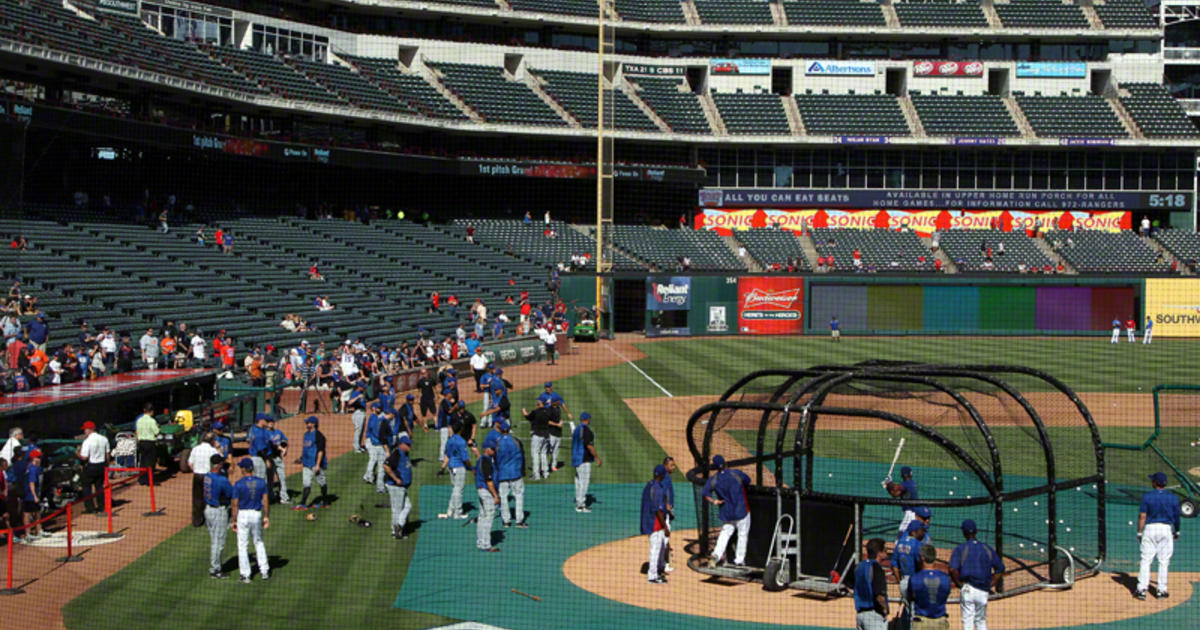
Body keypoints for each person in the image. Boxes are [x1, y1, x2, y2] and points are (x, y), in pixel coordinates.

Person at [949, 519, 1005, 630]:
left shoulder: (960, 549)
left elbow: (951, 570)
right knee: (981, 620)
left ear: (964, 533)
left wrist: (959, 584)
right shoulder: (986, 548)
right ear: (976, 531)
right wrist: (991, 584)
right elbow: (1000, 568)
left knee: (967, 621)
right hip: (983, 591)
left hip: (968, 589)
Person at [1136, 471, 1182, 599]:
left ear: (1155, 483)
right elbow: (1177, 517)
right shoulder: (1173, 497)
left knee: (1146, 560)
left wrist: (1139, 532)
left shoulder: (1147, 496)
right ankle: (1161, 590)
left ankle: (1141, 590)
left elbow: (1142, 516)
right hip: (1166, 530)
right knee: (1163, 561)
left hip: (1150, 529)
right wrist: (1177, 530)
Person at [701, 454, 751, 568]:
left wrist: (713, 501)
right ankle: (739, 561)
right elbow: (748, 480)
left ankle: (716, 555)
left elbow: (705, 493)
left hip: (727, 513)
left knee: (725, 534)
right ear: (726, 464)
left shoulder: (714, 479)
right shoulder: (736, 473)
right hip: (741, 511)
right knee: (742, 535)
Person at [232, 458, 270, 583]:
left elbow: (235, 504)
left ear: (244, 469)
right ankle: (264, 571)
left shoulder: (238, 484)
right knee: (258, 542)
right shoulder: (261, 482)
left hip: (243, 515)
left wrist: (234, 521)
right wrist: (266, 516)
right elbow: (265, 501)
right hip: (257, 514)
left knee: (243, 545)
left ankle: (245, 575)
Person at [203, 454, 234, 579]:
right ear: (219, 465)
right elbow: (230, 494)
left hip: (208, 510)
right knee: (218, 542)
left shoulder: (207, 476)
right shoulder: (222, 480)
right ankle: (215, 570)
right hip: (218, 511)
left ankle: (215, 567)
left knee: (214, 541)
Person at [893, 520, 927, 626]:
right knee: (914, 613)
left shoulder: (900, 542)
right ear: (914, 532)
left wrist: (900, 581)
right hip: (914, 582)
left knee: (907, 609)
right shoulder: (917, 544)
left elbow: (894, 565)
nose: (924, 533)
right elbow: (920, 562)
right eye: (922, 530)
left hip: (904, 581)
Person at [908, 544, 951, 629]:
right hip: (940, 621)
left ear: (922, 558)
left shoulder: (915, 578)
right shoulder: (945, 577)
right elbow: (945, 595)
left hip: (921, 622)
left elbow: (910, 597)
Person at [495, 420, 527, 528]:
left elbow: (495, 459)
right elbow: (522, 456)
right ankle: (519, 521)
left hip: (503, 474)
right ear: (508, 430)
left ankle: (506, 521)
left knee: (503, 498)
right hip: (516, 473)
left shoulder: (498, 442)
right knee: (519, 497)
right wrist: (523, 471)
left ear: (500, 430)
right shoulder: (516, 441)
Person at [853, 538, 890, 630]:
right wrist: (885, 609)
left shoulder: (859, 566)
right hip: (874, 616)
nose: (887, 553)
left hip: (860, 615)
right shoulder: (876, 567)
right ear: (879, 553)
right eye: (885, 551)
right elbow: (879, 594)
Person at [642, 464, 670, 584]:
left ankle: (656, 570)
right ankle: (652, 576)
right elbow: (658, 510)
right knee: (655, 548)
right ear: (662, 475)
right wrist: (665, 527)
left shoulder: (649, 485)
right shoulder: (658, 489)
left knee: (657, 547)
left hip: (648, 520)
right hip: (655, 523)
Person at [294, 416, 329, 510]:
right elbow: (307, 449)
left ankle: (325, 502)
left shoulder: (319, 436)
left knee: (322, 483)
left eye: (308, 423)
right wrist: (301, 458)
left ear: (313, 424)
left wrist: (317, 465)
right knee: (306, 484)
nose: (306, 424)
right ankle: (303, 504)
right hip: (306, 464)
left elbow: (321, 451)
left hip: (316, 464)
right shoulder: (305, 434)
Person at [384, 435, 415, 539]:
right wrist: (395, 478)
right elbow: (386, 465)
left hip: (402, 487)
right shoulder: (396, 453)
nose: (409, 446)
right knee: (397, 509)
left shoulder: (405, 453)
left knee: (407, 506)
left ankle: (399, 526)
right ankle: (395, 531)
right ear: (401, 444)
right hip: (395, 486)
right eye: (407, 444)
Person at [439, 422, 471, 520]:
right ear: (460, 430)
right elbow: (465, 458)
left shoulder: (450, 440)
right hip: (459, 467)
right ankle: (458, 513)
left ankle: (450, 510)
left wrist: (442, 468)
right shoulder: (461, 441)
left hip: (451, 467)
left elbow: (447, 455)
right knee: (458, 490)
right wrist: (470, 467)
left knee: (455, 489)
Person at [77, 421, 110, 515]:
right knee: (99, 486)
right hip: (102, 464)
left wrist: (77, 454)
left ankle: (90, 507)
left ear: (89, 430)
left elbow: (84, 457)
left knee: (86, 486)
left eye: (85, 430)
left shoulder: (87, 441)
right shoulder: (104, 439)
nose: (84, 431)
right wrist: (106, 465)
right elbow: (107, 454)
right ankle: (101, 506)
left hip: (92, 465)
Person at [187, 433, 221, 527]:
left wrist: (196, 470)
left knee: (197, 498)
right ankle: (208, 521)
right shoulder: (212, 450)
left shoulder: (195, 449)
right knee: (208, 498)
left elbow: (190, 463)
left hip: (197, 475)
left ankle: (197, 521)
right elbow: (218, 462)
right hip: (208, 475)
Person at [538, 382, 571, 472]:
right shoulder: (548, 408)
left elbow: (562, 405)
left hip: (558, 432)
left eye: (548, 387)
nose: (547, 388)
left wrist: (565, 416)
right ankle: (542, 466)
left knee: (555, 450)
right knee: (548, 450)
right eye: (546, 387)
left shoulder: (557, 408)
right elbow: (539, 405)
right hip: (551, 431)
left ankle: (553, 465)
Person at [475, 442, 501, 552]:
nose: (494, 451)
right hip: (486, 491)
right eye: (493, 449)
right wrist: (495, 496)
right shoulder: (485, 461)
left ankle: (480, 542)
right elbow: (489, 481)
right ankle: (486, 544)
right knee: (488, 518)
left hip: (481, 490)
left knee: (482, 517)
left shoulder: (481, 459)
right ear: (487, 449)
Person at [572, 412, 601, 512]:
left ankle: (578, 500)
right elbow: (589, 446)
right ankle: (581, 505)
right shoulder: (586, 430)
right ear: (587, 419)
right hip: (583, 460)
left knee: (578, 482)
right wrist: (597, 457)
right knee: (584, 482)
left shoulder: (577, 429)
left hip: (576, 459)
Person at [363, 402, 389, 494]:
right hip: (371, 441)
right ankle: (369, 477)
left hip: (374, 441)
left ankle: (368, 476)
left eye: (380, 407)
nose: (380, 409)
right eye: (378, 408)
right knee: (374, 459)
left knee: (374, 459)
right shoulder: (373, 417)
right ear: (373, 408)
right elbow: (374, 431)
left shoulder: (376, 417)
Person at [135, 403, 161, 486]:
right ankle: (149, 480)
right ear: (151, 411)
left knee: (143, 461)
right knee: (150, 462)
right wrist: (159, 428)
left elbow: (137, 432)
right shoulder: (152, 421)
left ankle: (141, 479)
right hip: (150, 442)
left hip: (142, 442)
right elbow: (156, 432)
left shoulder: (139, 420)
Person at [525, 402, 552, 480]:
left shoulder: (536, 412)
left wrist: (524, 412)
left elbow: (528, 417)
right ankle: (546, 473)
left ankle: (536, 475)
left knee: (535, 454)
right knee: (543, 454)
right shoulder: (548, 412)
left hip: (537, 436)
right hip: (546, 436)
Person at [22, 449, 44, 540]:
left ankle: (39, 530)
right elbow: (32, 483)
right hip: (29, 496)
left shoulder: (34, 468)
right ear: (33, 458)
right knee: (27, 514)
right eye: (38, 457)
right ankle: (28, 533)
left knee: (37, 513)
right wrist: (34, 496)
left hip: (33, 495)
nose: (40, 459)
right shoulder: (32, 469)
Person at [267, 418, 289, 504]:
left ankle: (284, 497)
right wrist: (281, 449)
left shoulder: (278, 432)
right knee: (270, 479)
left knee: (282, 478)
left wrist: (285, 450)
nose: (271, 423)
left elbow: (285, 441)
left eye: (272, 422)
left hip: (278, 458)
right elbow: (272, 444)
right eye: (269, 422)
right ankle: (271, 497)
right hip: (270, 458)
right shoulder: (265, 433)